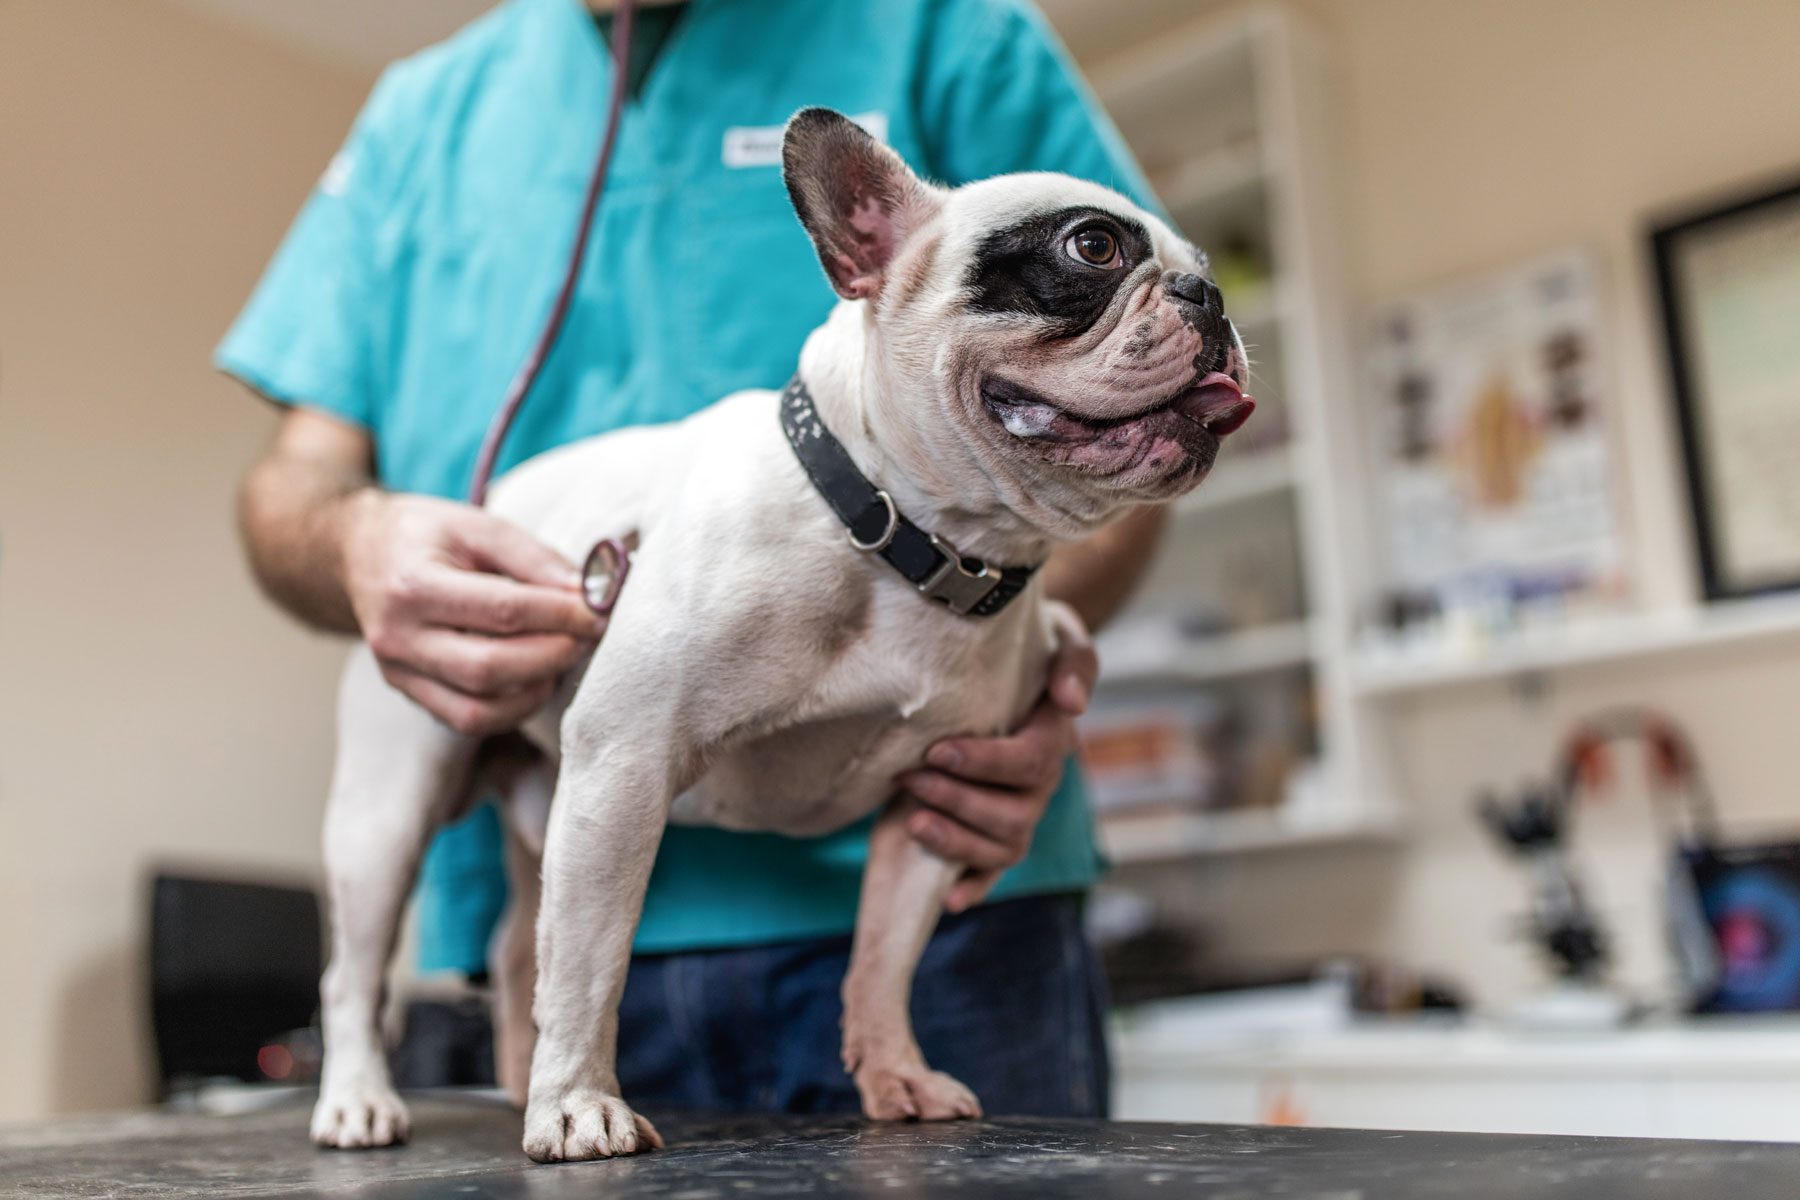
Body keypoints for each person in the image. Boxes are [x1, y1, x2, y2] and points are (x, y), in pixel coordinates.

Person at [222, 0, 1165, 1117]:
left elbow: (1131, 390)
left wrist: (1011, 668)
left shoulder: (945, 30)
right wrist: (357, 542)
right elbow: (295, 489)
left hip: (948, 908)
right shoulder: (416, 122)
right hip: (560, 909)